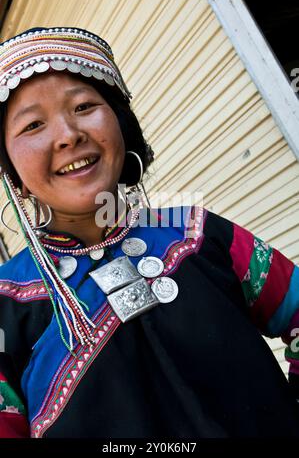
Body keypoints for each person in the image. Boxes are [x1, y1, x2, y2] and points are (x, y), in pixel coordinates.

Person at [0, 26, 298, 440]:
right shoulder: (8, 302)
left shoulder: (198, 234)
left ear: (121, 123)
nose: (69, 135)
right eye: (33, 125)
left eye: (84, 106)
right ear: (11, 169)